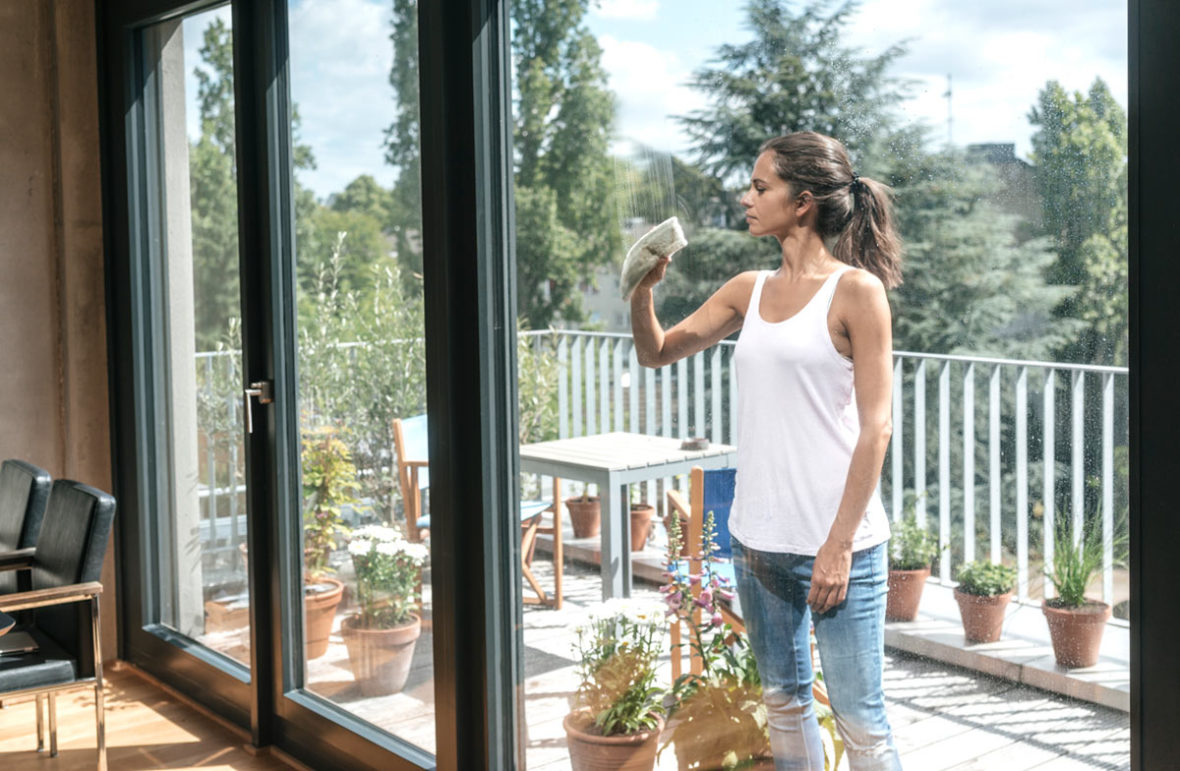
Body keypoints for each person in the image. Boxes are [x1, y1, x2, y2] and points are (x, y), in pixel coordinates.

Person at [630, 131, 903, 770]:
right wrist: (642, 290)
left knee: (863, 726)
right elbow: (657, 351)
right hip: (757, 545)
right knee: (784, 707)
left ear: (802, 201)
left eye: (760, 188)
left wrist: (836, 546)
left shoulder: (857, 293)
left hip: (843, 549)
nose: (746, 198)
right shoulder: (747, 288)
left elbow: (876, 429)